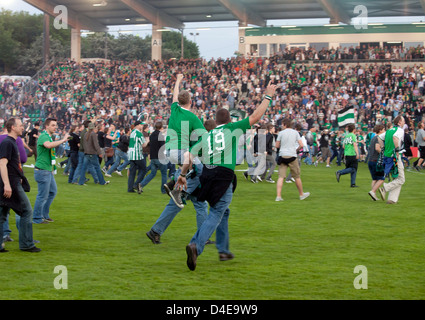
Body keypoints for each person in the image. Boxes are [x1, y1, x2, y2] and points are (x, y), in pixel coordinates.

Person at [177, 81, 277, 271]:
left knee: (223, 210)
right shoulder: (233, 128)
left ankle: (222, 250)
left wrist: (182, 175)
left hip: (207, 174)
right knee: (216, 212)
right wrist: (268, 96)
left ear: (215, 121)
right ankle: (196, 247)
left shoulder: (206, 135)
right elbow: (256, 116)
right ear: (229, 120)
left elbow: (188, 156)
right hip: (223, 175)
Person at [164, 73, 206, 208]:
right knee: (201, 168)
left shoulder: (174, 109)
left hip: (169, 151)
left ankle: (172, 182)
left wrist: (177, 81)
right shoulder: (193, 117)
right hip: (180, 150)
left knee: (191, 167)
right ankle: (179, 192)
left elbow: (175, 95)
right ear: (191, 102)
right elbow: (205, 136)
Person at [0, 118, 41, 252]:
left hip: (13, 181)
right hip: (10, 184)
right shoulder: (7, 143)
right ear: (12, 127)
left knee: (2, 214)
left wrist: (20, 175)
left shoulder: (12, 142)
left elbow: (12, 164)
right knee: (26, 211)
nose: (23, 128)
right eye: (20, 125)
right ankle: (26, 244)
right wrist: (7, 184)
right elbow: (2, 164)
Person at [33, 118, 69, 224]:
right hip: (42, 170)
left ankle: (43, 214)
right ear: (47, 126)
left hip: (48, 170)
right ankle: (37, 218)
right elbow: (48, 145)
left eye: (55, 125)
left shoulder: (48, 136)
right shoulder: (44, 136)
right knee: (42, 195)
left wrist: (53, 168)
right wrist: (63, 140)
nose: (55, 127)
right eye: (53, 125)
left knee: (52, 192)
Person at [373, 115, 406, 204]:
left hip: (388, 157)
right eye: (403, 121)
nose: (404, 122)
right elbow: (395, 138)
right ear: (399, 122)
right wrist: (397, 150)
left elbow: (379, 138)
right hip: (395, 157)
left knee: (396, 177)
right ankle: (385, 188)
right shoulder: (399, 130)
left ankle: (392, 199)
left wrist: (383, 148)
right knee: (401, 179)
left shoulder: (389, 130)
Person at [275, 118, 310, 201]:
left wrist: (283, 148)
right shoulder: (296, 133)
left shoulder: (281, 133)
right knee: (297, 176)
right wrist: (296, 150)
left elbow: (277, 145)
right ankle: (301, 194)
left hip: (283, 155)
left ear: (285, 124)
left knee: (281, 177)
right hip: (292, 155)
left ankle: (278, 196)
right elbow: (301, 145)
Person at [138, 121, 167, 194]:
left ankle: (141, 184)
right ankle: (163, 190)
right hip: (160, 157)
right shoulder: (160, 135)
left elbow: (150, 144)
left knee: (152, 173)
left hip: (153, 157)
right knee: (164, 174)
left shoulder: (152, 135)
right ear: (161, 127)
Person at [127, 121, 149, 193]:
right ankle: (136, 184)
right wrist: (147, 141)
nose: (142, 126)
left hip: (131, 154)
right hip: (137, 154)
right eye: (141, 125)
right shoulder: (139, 133)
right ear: (138, 125)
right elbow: (144, 144)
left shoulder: (132, 132)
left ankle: (130, 188)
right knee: (144, 169)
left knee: (132, 171)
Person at [335, 123, 359, 188]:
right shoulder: (353, 135)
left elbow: (343, 146)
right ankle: (339, 172)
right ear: (354, 129)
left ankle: (353, 184)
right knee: (353, 168)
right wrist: (357, 153)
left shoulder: (346, 136)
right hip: (352, 153)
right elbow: (355, 145)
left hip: (346, 154)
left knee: (353, 169)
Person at [367, 124, 385, 201]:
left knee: (375, 179)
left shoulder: (373, 138)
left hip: (370, 160)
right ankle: (373, 191)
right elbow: (377, 148)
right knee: (381, 178)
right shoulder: (379, 138)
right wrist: (383, 154)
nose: (384, 131)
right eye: (384, 129)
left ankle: (373, 196)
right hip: (376, 161)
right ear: (380, 130)